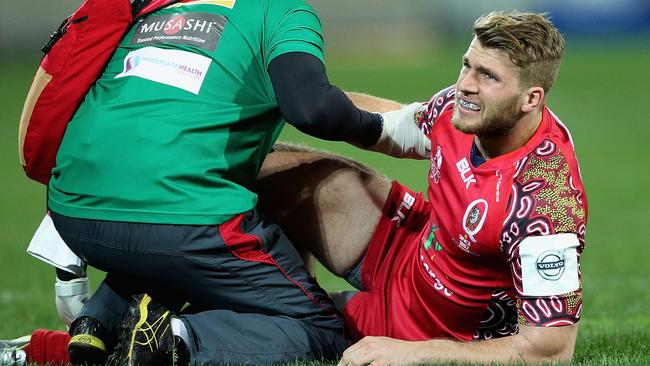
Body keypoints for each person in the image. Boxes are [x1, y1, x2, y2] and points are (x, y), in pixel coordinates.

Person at [3, 8, 587, 366]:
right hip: (410, 253)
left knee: (297, 329)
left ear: (532, 99)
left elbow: (548, 350)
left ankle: (136, 340)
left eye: (487, 77)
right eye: (465, 65)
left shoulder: (544, 201)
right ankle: (100, 324)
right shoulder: (464, 110)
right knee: (272, 173)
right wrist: (273, 111)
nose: (465, 84)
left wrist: (410, 354)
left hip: (428, 324)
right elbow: (396, 125)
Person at [44, 0, 429, 365]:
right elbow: (312, 108)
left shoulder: (163, 6)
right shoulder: (279, 10)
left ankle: (98, 321)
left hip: (73, 210)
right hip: (182, 212)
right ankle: (172, 336)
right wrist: (386, 129)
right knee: (320, 331)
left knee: (172, 256)